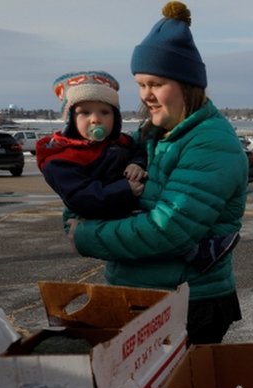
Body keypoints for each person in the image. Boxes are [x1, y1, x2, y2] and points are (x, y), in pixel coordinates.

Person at [67, 1, 248, 344]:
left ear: (187, 85)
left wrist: (85, 234)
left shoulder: (210, 143)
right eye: (140, 84)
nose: (145, 95)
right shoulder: (149, 136)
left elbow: (169, 230)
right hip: (140, 298)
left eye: (156, 83)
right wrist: (80, 201)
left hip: (188, 305)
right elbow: (86, 188)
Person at [37, 70, 238, 273]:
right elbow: (78, 197)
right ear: (71, 119)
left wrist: (137, 164)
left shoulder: (121, 142)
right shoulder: (63, 156)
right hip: (103, 219)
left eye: (104, 112)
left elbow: (170, 228)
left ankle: (197, 251)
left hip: (184, 291)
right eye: (85, 112)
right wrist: (123, 189)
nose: (95, 119)